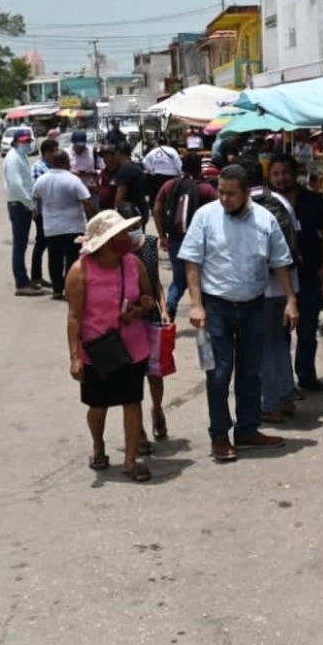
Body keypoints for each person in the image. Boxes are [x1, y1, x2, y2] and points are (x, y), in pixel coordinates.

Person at [178, 162, 296, 462]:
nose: (225, 199)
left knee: (250, 372)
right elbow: (191, 261)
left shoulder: (265, 220)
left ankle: (247, 430)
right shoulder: (205, 217)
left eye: (231, 194)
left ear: (246, 193)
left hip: (254, 305)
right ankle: (220, 435)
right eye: (221, 192)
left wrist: (291, 300)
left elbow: (281, 261)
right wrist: (195, 304)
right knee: (219, 373)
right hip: (216, 306)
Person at [65, 210, 155, 482]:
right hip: (97, 349)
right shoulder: (80, 272)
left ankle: (129, 461)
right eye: (120, 235)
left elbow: (147, 298)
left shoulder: (133, 264)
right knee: (98, 406)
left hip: (132, 347)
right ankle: (98, 445)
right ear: (104, 241)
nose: (127, 238)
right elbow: (74, 316)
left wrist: (138, 311)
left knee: (132, 401)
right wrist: (74, 357)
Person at [269, 153, 323, 395]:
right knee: (281, 335)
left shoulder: (314, 201)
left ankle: (307, 377)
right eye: (275, 174)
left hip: (309, 276)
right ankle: (286, 385)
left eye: (284, 172)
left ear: (294, 173)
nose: (281, 178)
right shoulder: (266, 204)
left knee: (308, 332)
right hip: (278, 279)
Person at [246, 156, 301, 424]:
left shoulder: (247, 207)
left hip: (262, 289)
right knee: (280, 344)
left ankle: (270, 405)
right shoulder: (282, 202)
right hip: (288, 287)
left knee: (264, 347)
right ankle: (286, 397)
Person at [119, 203, 170, 442]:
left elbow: (156, 281)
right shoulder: (115, 252)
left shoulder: (149, 243)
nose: (133, 232)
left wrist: (164, 307)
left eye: (136, 227)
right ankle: (137, 430)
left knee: (155, 372)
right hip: (127, 321)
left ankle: (157, 409)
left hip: (151, 315)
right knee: (131, 378)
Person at [153, 152, 217, 321]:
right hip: (200, 242)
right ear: (200, 168)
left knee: (179, 279)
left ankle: (170, 305)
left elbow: (157, 209)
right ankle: (204, 311)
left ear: (182, 167)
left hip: (175, 239)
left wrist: (162, 235)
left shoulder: (169, 185)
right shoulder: (206, 189)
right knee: (203, 279)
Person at [32, 151, 95, 298]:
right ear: (65, 162)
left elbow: (34, 197)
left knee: (54, 260)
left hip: (51, 227)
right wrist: (94, 218)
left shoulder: (42, 180)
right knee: (72, 260)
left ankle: (57, 290)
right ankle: (70, 289)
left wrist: (36, 211)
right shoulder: (72, 180)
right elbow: (86, 200)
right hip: (72, 227)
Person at [2, 130, 45, 296]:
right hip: (19, 205)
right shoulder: (13, 158)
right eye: (24, 141)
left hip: (23, 205)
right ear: (15, 141)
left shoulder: (21, 157)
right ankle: (21, 283)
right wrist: (31, 205)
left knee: (22, 244)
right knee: (19, 246)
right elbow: (17, 185)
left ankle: (25, 280)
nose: (27, 144)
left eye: (29, 141)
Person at [29, 137, 59, 290]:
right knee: (41, 244)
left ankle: (39, 276)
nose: (56, 154)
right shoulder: (38, 168)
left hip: (52, 212)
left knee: (46, 244)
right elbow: (36, 192)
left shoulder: (52, 166)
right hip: (41, 212)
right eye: (54, 152)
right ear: (46, 153)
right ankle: (35, 277)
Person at [105, 144, 149, 224]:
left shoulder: (125, 169)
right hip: (140, 208)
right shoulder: (136, 167)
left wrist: (116, 210)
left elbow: (121, 191)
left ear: (118, 153)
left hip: (130, 211)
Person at [142, 132, 182, 205]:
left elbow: (144, 161)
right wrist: (180, 173)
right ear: (167, 141)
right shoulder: (172, 150)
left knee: (158, 196)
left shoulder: (153, 151)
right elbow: (178, 163)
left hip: (157, 176)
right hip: (171, 176)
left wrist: (151, 171)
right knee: (171, 196)